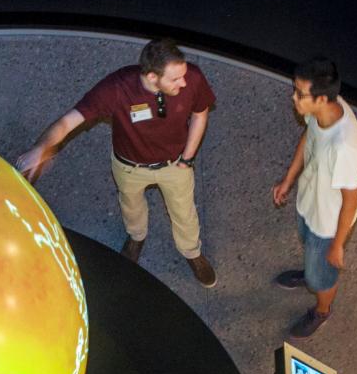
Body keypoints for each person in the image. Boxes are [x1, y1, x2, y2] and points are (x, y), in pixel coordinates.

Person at [17, 38, 218, 287]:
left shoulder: (192, 78)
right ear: (153, 77)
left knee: (185, 212)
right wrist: (42, 148)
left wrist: (187, 158)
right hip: (130, 166)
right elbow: (68, 122)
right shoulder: (116, 88)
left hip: (174, 164)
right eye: (175, 79)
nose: (184, 82)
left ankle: (192, 252)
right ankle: (136, 237)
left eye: (184, 75)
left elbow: (200, 113)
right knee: (131, 206)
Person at [271, 57, 357, 339]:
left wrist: (337, 245)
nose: (294, 98)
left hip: (328, 223)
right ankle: (311, 272)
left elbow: (351, 200)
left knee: (322, 275)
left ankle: (322, 309)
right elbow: (308, 137)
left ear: (321, 98)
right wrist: (289, 179)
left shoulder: (345, 146)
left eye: (300, 94)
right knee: (310, 251)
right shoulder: (321, 113)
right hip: (309, 202)